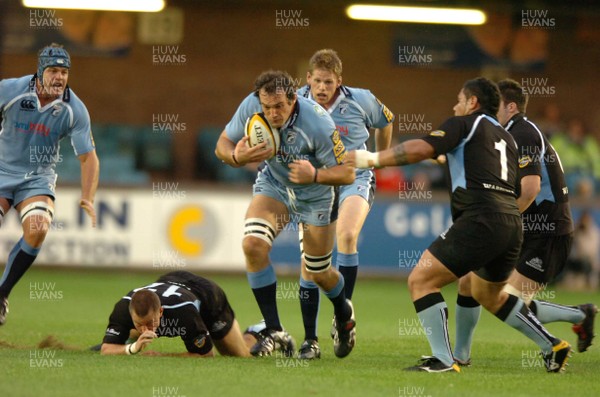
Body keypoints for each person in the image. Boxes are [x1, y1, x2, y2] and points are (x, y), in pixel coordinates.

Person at [348, 77, 571, 373]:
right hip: (512, 226)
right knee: (489, 295)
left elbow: (420, 148)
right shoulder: (505, 138)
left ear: (472, 102)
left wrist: (371, 158)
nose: (455, 105)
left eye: (459, 99)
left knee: (421, 280)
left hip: (481, 220)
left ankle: (444, 359)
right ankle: (552, 345)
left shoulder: (466, 123)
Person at [453, 79, 597, 367]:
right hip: (525, 230)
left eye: (498, 109)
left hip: (548, 234)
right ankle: (460, 356)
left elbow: (530, 190)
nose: (493, 114)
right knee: (469, 282)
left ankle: (556, 341)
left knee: (504, 298)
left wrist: (500, 221)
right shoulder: (509, 134)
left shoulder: (524, 133)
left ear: (512, 106)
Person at [215, 70, 357, 358]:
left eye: (279, 106)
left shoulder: (317, 123)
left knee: (318, 272)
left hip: (316, 194)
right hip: (275, 185)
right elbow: (222, 145)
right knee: (252, 246)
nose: (272, 113)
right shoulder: (251, 106)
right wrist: (235, 157)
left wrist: (315, 174)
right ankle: (275, 330)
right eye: (267, 107)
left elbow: (348, 173)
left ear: (294, 98)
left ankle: (344, 313)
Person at [294, 49, 393, 359]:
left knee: (347, 236)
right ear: (307, 78)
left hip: (355, 177)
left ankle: (342, 318)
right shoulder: (295, 101)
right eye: (317, 81)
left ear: (339, 82)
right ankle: (310, 340)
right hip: (317, 183)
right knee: (310, 266)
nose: (322, 88)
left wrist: (379, 158)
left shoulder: (361, 99)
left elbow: (386, 120)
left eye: (328, 82)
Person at [0, 43, 99, 325]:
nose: (59, 77)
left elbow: (88, 158)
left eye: (64, 72)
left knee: (38, 227)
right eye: (54, 70)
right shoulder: (10, 90)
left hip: (37, 179)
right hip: (1, 169)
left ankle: (2, 294)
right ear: (40, 71)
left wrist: (88, 197)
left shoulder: (74, 110)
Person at [101, 271, 260, 357]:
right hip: (170, 279)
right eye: (139, 324)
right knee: (132, 333)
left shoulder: (182, 312)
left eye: (151, 323)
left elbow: (205, 354)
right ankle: (130, 338)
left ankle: (259, 330)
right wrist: (133, 348)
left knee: (236, 354)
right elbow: (107, 349)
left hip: (207, 295)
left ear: (161, 312)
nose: (145, 329)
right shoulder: (123, 309)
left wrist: (162, 356)